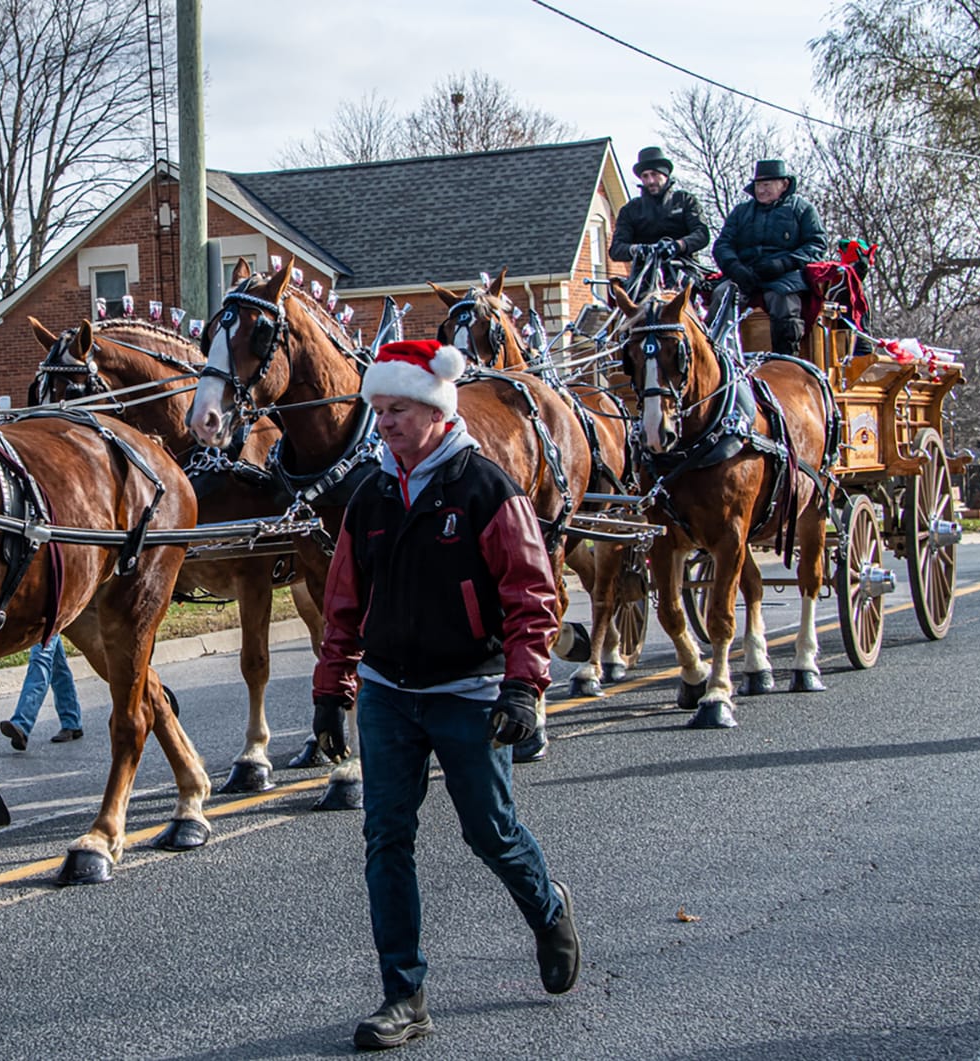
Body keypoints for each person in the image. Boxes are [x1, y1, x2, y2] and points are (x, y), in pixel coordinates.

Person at [310, 339, 581, 1049]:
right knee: (385, 838)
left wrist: (524, 687)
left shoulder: (487, 490)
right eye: (377, 409)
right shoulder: (370, 494)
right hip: (388, 693)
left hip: (469, 691)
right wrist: (331, 688)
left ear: (434, 409)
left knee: (488, 830)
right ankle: (404, 994)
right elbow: (342, 600)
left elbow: (532, 597)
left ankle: (548, 907)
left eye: (396, 409)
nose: (384, 423)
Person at [713, 159, 829, 359]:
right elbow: (722, 245)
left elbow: (816, 244)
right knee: (722, 296)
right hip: (745, 273)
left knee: (784, 301)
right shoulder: (741, 212)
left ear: (783, 185)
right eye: (758, 185)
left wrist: (784, 263)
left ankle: (785, 359)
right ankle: (718, 356)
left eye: (767, 184)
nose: (762, 190)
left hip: (784, 275)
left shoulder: (802, 209)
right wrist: (734, 267)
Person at [609, 146, 710, 297]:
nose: (650, 181)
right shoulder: (630, 210)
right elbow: (616, 249)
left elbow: (702, 234)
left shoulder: (685, 201)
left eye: (654, 175)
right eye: (645, 176)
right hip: (643, 277)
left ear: (665, 175)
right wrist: (638, 250)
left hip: (683, 269)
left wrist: (678, 245)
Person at [0, 636, 82, 750]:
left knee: (41, 658)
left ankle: (22, 724)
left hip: (49, 619)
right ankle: (71, 721)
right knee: (57, 664)